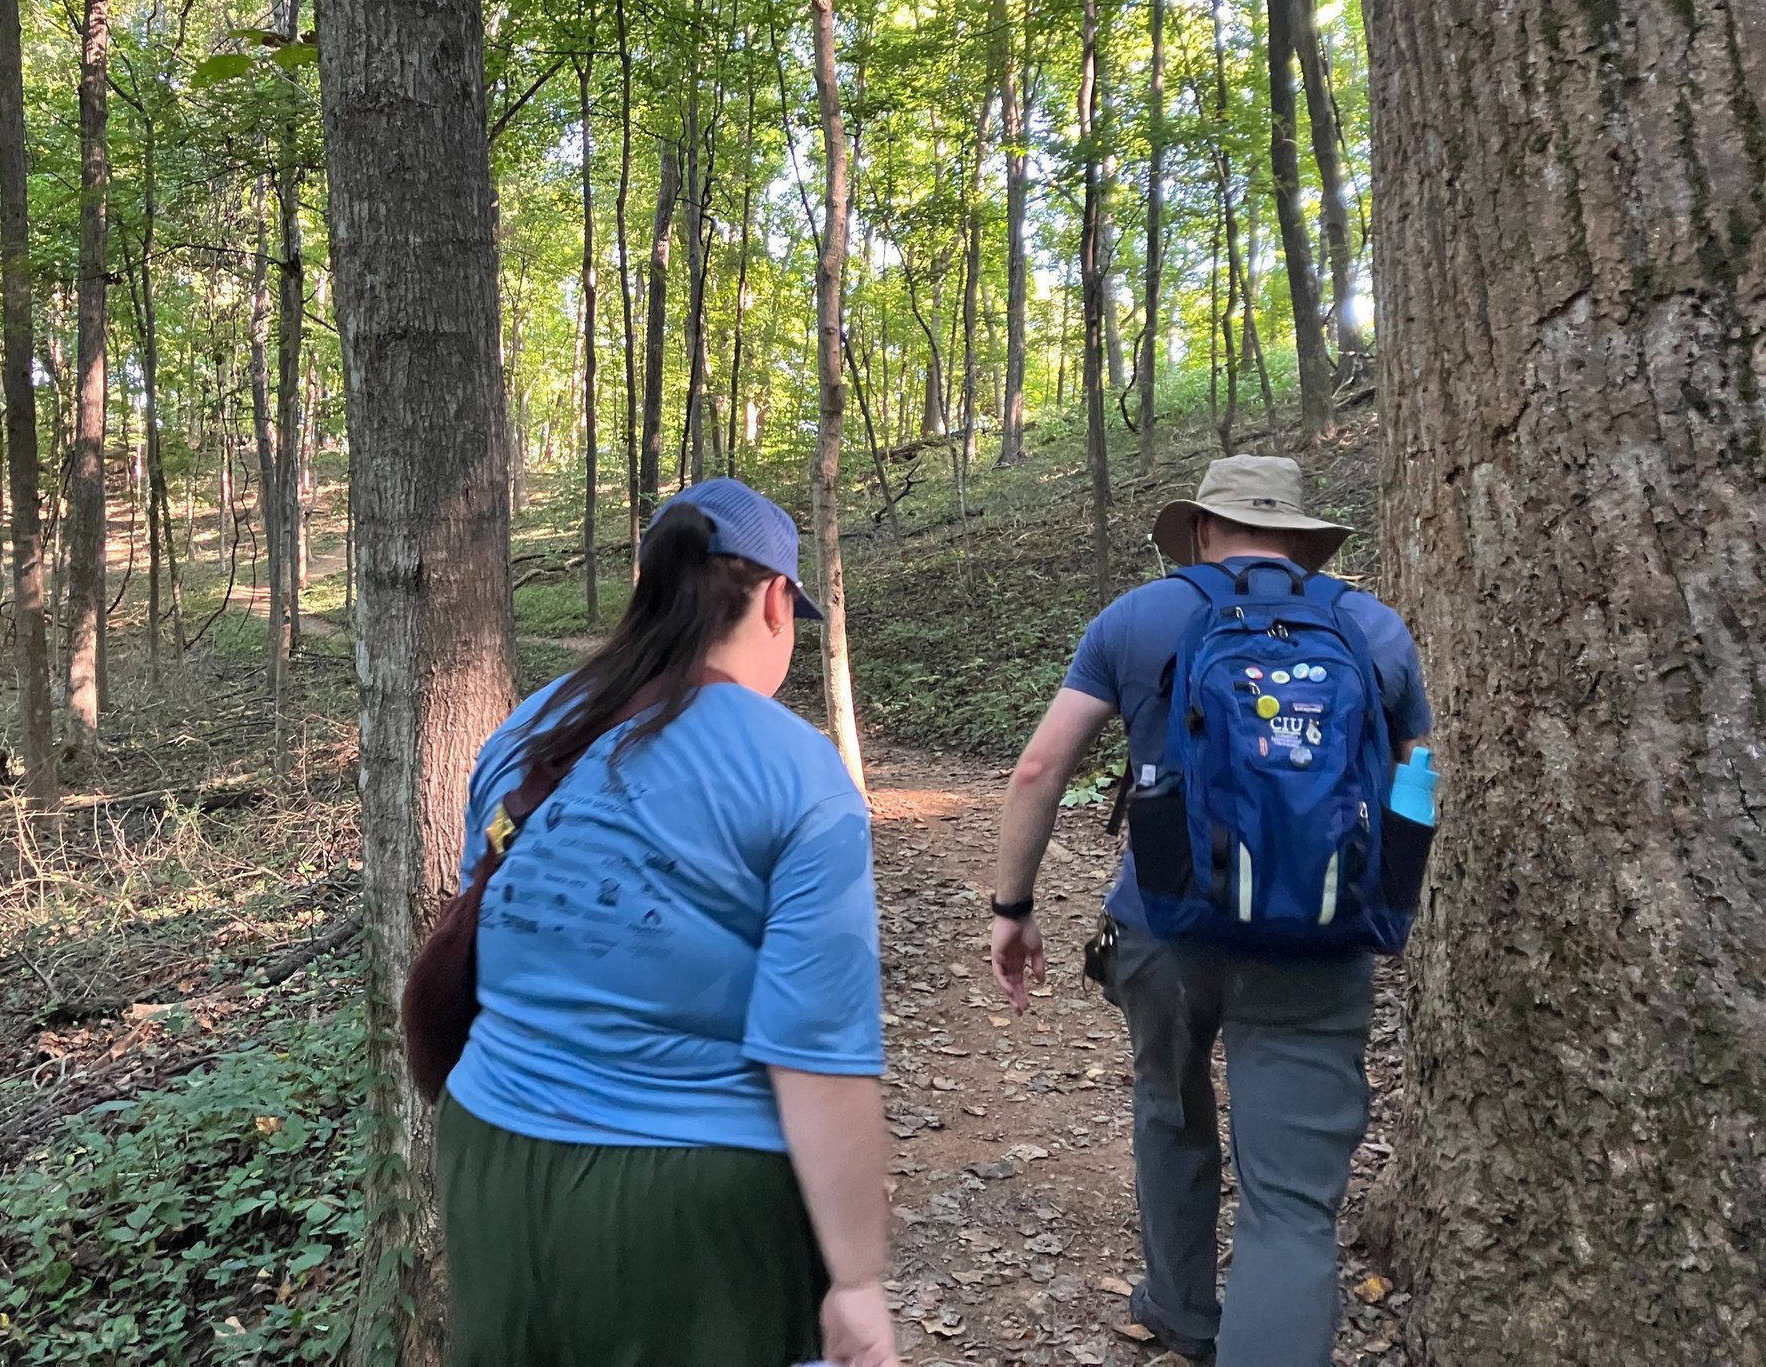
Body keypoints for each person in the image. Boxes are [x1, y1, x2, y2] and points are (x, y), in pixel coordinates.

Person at [438, 477, 901, 1367]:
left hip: (490, 1157)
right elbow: (817, 1053)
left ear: (648, 583)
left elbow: (488, 930)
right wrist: (856, 1279)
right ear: (775, 602)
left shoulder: (528, 729)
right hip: (694, 1201)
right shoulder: (797, 771)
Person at [987, 456, 1432, 1367]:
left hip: (1163, 928)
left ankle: (1184, 1312)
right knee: (1290, 1208)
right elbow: (1414, 785)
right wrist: (1386, 911)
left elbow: (1040, 768)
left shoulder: (1139, 619)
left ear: (1198, 530)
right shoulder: (1373, 629)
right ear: (1307, 540)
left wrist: (1013, 905)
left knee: (1168, 1103)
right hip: (1322, 939)